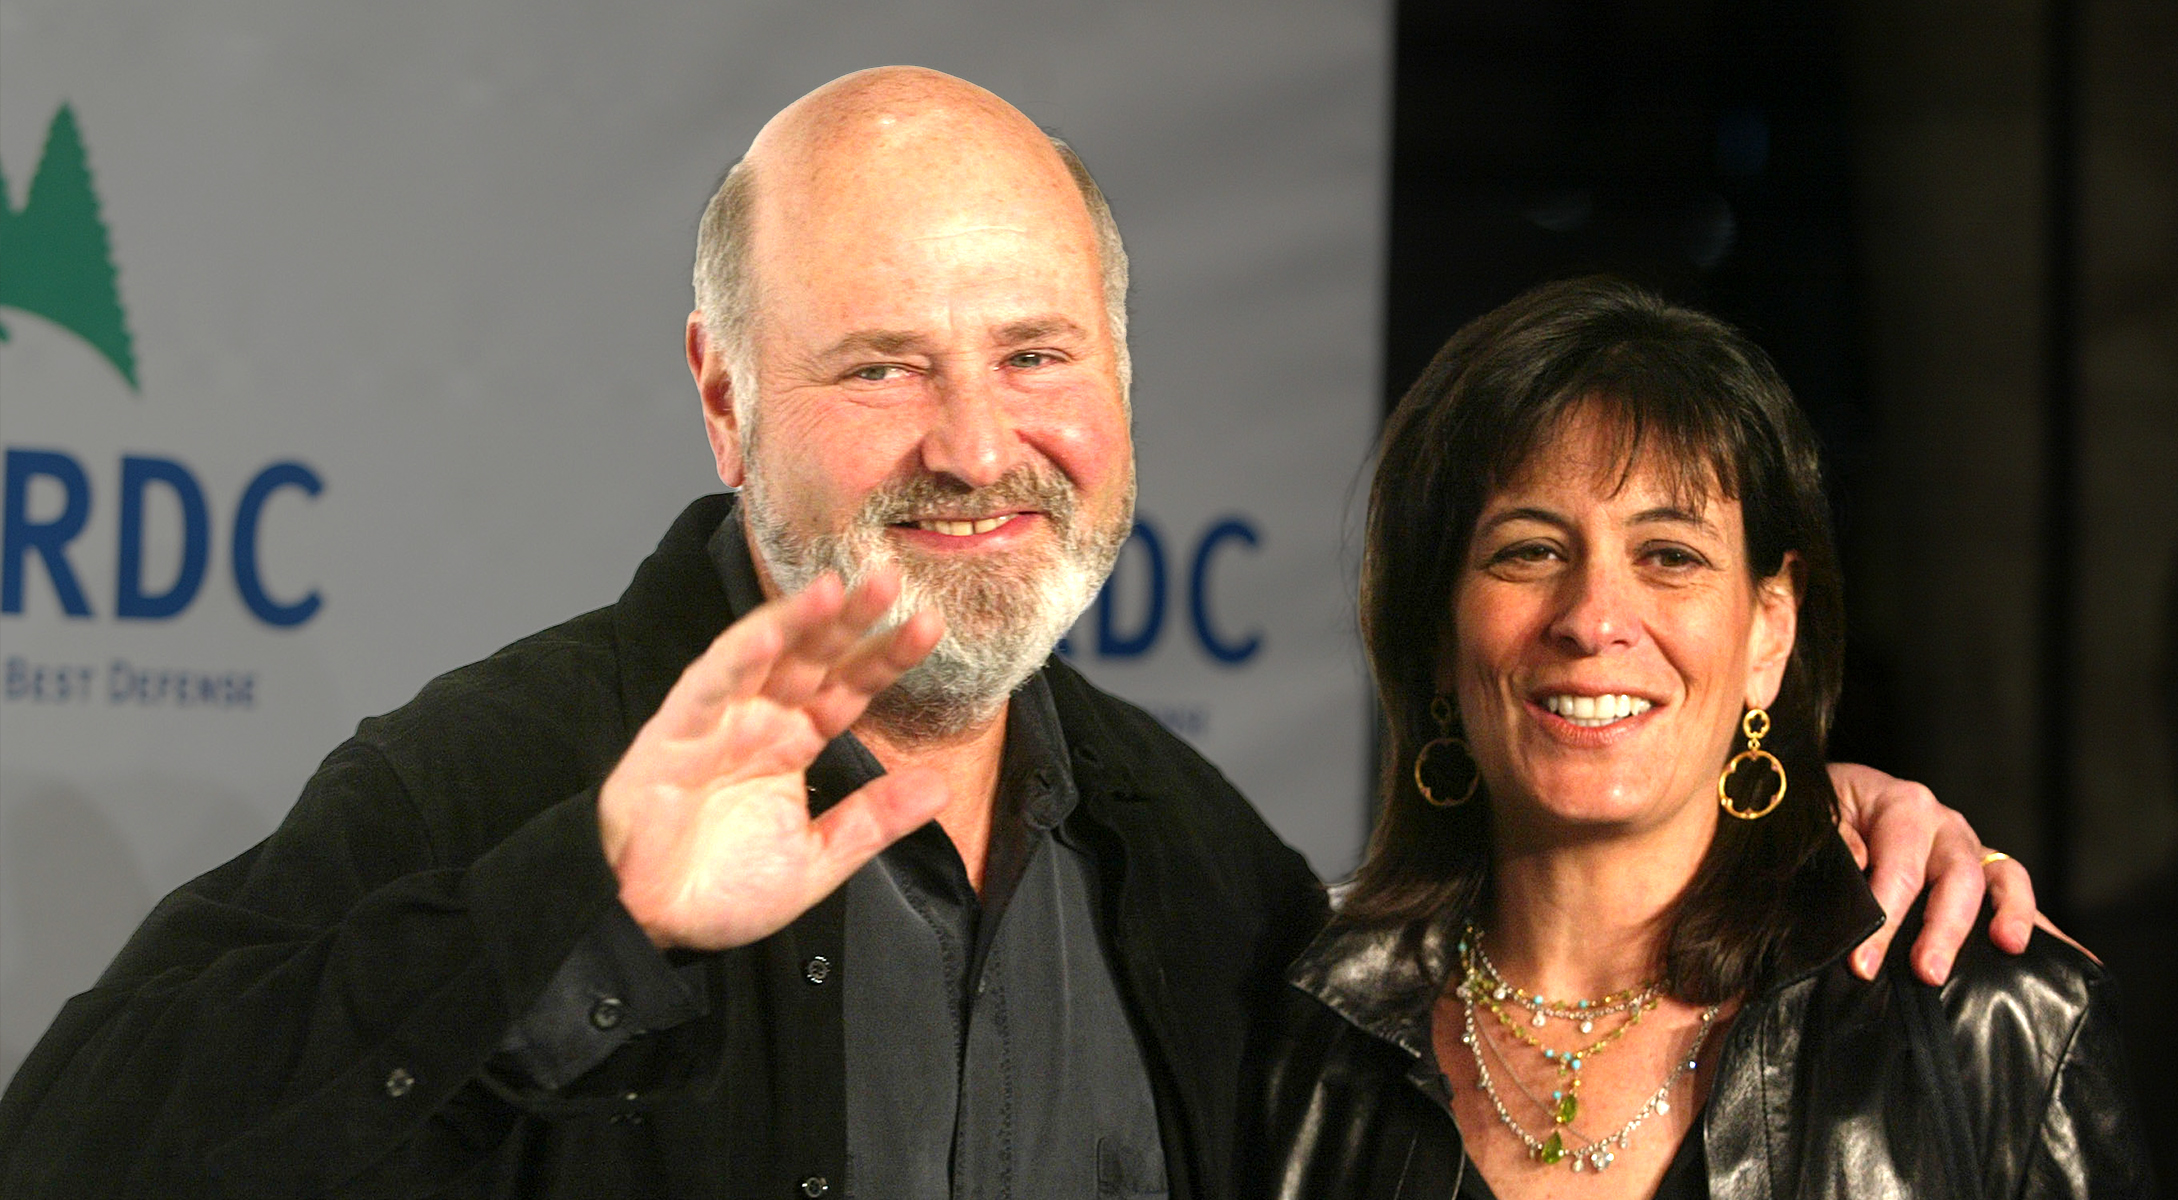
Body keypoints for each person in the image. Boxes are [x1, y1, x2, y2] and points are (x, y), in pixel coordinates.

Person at [2, 71, 2034, 1198]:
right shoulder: (511, 773)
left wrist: (1791, 823)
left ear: (1123, 385)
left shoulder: (1199, 866)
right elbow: (80, 1157)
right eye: (882, 364)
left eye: (1037, 355)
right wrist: (578, 908)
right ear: (723, 398)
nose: (977, 446)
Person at [1249, 278, 2152, 1199]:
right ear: (1439, 634)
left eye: (1670, 556)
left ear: (1770, 629)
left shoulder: (1994, 1029)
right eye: (1530, 550)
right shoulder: (1279, 1035)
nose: (1593, 619)